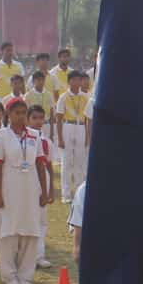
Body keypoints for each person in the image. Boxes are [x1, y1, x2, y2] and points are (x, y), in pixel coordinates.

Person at [0, 99, 50, 284]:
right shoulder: (1, 135)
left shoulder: (34, 135)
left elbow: (40, 165)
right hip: (10, 186)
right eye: (16, 113)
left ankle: (26, 274)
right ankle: (9, 275)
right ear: (8, 114)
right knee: (9, 230)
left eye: (23, 113)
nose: (20, 117)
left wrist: (44, 191)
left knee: (30, 229)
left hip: (30, 187)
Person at [27, 102, 58, 270]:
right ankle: (27, 256)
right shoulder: (26, 139)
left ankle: (39, 255)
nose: (38, 121)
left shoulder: (47, 142)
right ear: (27, 120)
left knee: (42, 219)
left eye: (41, 118)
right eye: (34, 118)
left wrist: (50, 190)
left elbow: (49, 166)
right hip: (29, 176)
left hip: (42, 178)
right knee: (29, 218)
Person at [57, 70, 93, 199]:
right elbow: (59, 118)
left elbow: (89, 118)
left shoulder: (86, 97)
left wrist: (88, 136)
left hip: (81, 127)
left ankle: (78, 193)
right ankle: (65, 194)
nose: (77, 82)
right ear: (69, 81)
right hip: (68, 125)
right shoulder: (63, 97)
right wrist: (60, 138)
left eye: (79, 80)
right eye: (74, 80)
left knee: (80, 161)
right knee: (66, 161)